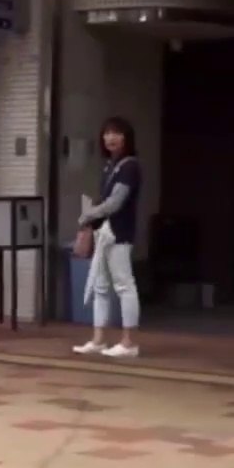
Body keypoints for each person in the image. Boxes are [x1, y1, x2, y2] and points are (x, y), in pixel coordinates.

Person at [73, 117, 142, 359]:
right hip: (105, 233)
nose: (110, 137)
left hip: (119, 234)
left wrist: (88, 214)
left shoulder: (129, 167)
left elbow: (115, 202)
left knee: (124, 285)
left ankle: (128, 341)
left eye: (116, 133)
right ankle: (99, 339)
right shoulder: (109, 166)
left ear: (126, 137)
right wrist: (93, 218)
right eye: (107, 133)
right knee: (101, 286)